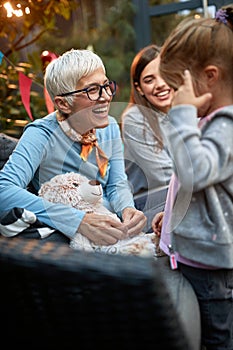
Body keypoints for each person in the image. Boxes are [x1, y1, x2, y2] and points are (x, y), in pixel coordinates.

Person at [0, 48, 146, 244]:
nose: (106, 96)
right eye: (92, 90)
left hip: (110, 224)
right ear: (63, 104)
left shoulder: (110, 126)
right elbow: (4, 191)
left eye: (106, 85)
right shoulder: (41, 134)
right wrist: (78, 221)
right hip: (70, 238)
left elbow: (116, 183)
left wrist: (128, 208)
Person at [152, 6, 233, 350]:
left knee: (216, 341)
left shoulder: (227, 126)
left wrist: (182, 113)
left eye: (178, 87)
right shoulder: (206, 122)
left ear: (210, 76)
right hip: (197, 260)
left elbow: (195, 171)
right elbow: (184, 183)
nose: (175, 98)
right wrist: (169, 219)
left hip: (215, 269)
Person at [121, 44, 174, 232]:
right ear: (139, 88)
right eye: (150, 80)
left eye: (164, 74)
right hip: (147, 204)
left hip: (179, 193)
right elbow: (163, 176)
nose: (160, 84)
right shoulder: (135, 118)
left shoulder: (184, 110)